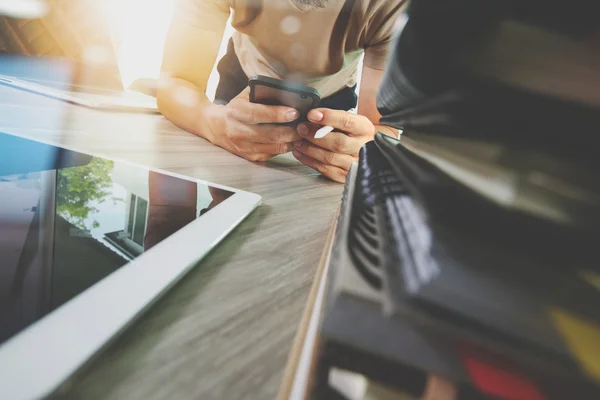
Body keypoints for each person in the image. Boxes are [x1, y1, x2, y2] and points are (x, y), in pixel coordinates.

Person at [157, 0, 404, 182]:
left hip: (334, 100)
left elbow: (382, 130)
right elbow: (177, 82)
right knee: (226, 181)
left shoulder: (399, 7)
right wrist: (212, 123)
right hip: (241, 80)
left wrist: (370, 151)